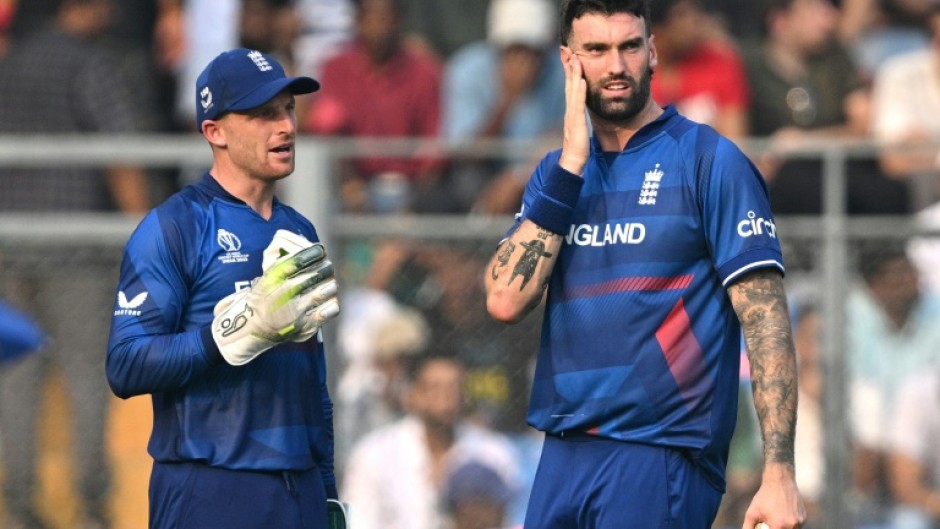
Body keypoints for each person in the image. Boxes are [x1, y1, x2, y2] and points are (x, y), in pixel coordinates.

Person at [483, 1, 806, 528]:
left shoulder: (710, 160)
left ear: (652, 52)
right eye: (596, 50)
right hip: (562, 451)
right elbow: (504, 299)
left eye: (629, 46)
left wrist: (779, 472)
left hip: (659, 452)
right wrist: (569, 167)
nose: (615, 66)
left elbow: (766, 319)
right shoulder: (555, 174)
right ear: (569, 62)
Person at [106, 48, 342, 529]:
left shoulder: (301, 231)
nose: (286, 127)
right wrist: (234, 332)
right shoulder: (174, 227)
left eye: (288, 109)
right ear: (214, 131)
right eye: (262, 115)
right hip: (209, 489)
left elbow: (313, 381)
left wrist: (330, 495)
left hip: (300, 492)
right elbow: (125, 365)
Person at [0, 1, 152, 527]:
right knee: (88, 379)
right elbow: (121, 157)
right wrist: (149, 247)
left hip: (10, 251)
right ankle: (90, 505)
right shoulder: (89, 63)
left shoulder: (11, 63)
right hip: (76, 257)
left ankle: (17, 505)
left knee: (14, 381)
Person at [743, 0, 910, 216]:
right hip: (777, 176)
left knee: (888, 191)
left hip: (840, 166)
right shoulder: (749, 62)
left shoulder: (836, 56)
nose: (828, 19)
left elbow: (864, 126)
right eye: (813, 11)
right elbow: (733, 128)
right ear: (780, 21)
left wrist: (803, 141)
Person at [341, 353, 520, 529]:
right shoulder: (374, 454)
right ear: (413, 395)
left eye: (454, 387)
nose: (446, 397)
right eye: (434, 388)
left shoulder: (494, 452)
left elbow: (511, 519)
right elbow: (357, 521)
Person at [302, 0, 443, 214]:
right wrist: (351, 187)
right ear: (358, 20)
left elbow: (433, 147)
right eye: (372, 16)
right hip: (352, 187)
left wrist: (413, 207)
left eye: (386, 16)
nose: (380, 25)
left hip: (412, 191)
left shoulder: (424, 72)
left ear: (399, 20)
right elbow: (326, 129)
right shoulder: (336, 68)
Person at [649, 0, 751, 140]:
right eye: (682, 15)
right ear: (658, 29)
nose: (694, 20)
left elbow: (735, 138)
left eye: (696, 11)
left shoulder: (719, 63)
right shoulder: (637, 72)